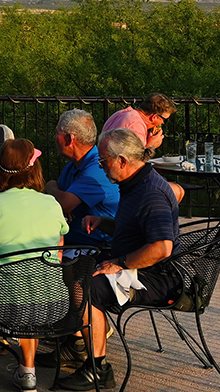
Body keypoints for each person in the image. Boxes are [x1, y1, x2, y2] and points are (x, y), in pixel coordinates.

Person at [57, 127, 181, 391]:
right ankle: (76, 342)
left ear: (123, 161)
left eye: (104, 161)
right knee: (70, 266)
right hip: (137, 262)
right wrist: (103, 222)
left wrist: (120, 263)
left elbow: (162, 248)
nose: (101, 167)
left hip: (155, 276)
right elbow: (133, 230)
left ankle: (97, 368)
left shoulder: (150, 192)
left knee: (85, 287)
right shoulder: (133, 183)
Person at [0, 138, 67, 392]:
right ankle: (27, 371)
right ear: (34, 168)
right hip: (53, 304)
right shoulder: (52, 204)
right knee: (34, 289)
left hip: (2, 306)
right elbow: (57, 258)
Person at [41, 109, 117, 249]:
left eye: (57, 133)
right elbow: (58, 202)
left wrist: (51, 186)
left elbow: (62, 204)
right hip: (76, 246)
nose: (54, 138)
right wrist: (59, 197)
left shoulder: (97, 168)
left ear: (69, 139)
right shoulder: (74, 165)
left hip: (96, 250)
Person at [101, 94, 174, 152]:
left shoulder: (121, 113)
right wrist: (151, 146)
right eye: (165, 120)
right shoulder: (136, 125)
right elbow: (135, 163)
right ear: (154, 117)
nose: (163, 123)